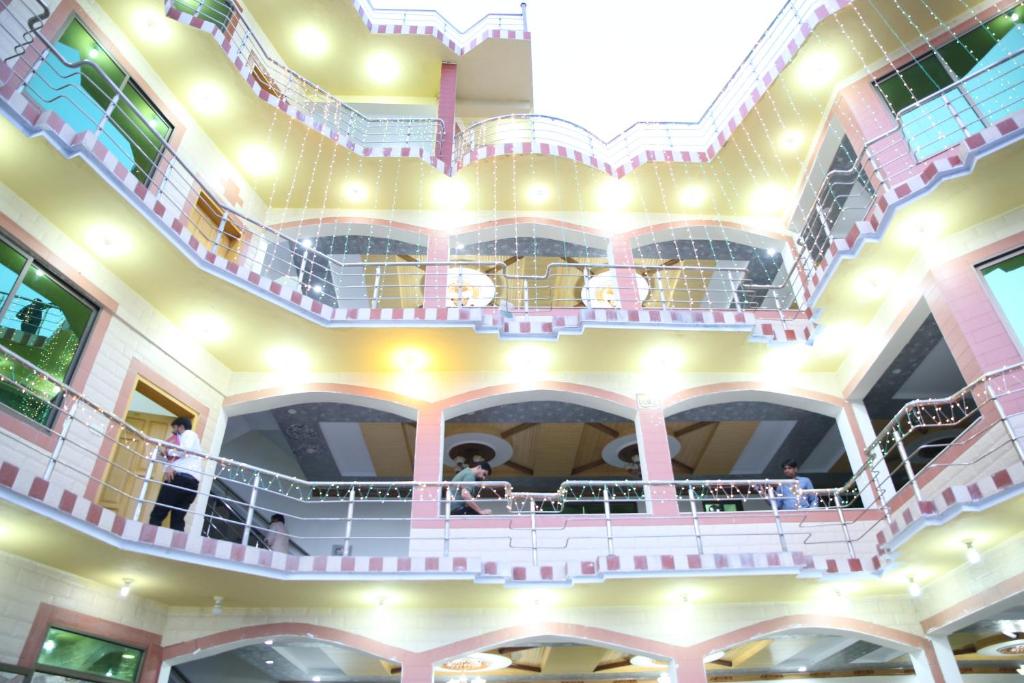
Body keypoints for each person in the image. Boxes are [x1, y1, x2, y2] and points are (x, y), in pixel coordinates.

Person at [148, 416, 204, 531]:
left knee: (158, 512)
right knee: (178, 518)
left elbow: (184, 451)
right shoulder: (185, 440)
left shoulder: (189, 434)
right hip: (191, 482)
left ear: (181, 427)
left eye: (174, 428)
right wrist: (166, 460)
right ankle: (175, 544)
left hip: (179, 478)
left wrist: (167, 450)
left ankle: (148, 538)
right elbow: (172, 458)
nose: (173, 432)